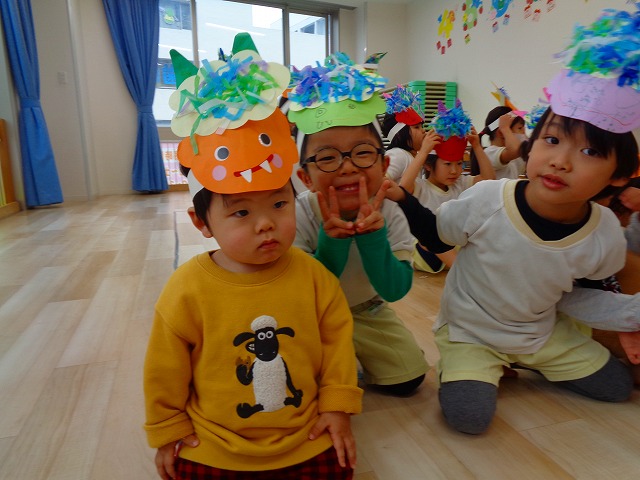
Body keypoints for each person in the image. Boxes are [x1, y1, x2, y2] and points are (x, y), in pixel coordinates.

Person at [384, 7, 640, 433]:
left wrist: (627, 317)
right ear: (530, 147)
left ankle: (529, 361)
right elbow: (437, 235)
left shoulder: (604, 231)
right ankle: (470, 362)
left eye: (590, 151)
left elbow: (583, 293)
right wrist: (402, 199)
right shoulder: (488, 198)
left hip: (540, 333)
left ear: (618, 175)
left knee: (617, 387)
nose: (560, 161)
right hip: (471, 330)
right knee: (469, 417)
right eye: (551, 140)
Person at [144, 34, 362, 480]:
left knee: (339, 469)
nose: (266, 224)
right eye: (241, 212)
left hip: (304, 433)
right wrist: (168, 427)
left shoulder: (313, 276)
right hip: (214, 441)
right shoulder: (187, 287)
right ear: (202, 223)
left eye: (279, 205)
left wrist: (337, 407)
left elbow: (338, 342)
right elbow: (165, 365)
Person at [287, 53, 429, 397]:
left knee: (409, 377)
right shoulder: (299, 214)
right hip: (311, 317)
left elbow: (395, 290)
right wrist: (331, 245)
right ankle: (342, 360)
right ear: (306, 177)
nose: (348, 167)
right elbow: (302, 293)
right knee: (308, 388)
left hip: (367, 310)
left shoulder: (391, 212)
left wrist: (373, 238)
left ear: (383, 165)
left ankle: (354, 355)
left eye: (363, 153)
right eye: (327, 157)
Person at [399, 100, 495, 273]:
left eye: (459, 164)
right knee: (430, 231)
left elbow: (489, 180)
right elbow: (402, 189)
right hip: (426, 255)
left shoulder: (460, 184)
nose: (454, 171)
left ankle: (467, 268)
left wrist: (477, 147)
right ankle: (463, 271)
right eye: (447, 164)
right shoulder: (421, 187)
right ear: (429, 165)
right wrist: (423, 151)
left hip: (453, 247)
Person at [380, 84, 441, 183]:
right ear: (399, 135)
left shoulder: (411, 156)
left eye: (421, 126)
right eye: (416, 127)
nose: (423, 130)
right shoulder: (398, 154)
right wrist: (424, 151)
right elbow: (380, 182)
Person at [470, 105, 527, 179]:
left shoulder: (512, 156)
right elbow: (515, 150)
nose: (523, 132)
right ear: (501, 133)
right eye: (520, 128)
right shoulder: (490, 153)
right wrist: (505, 128)